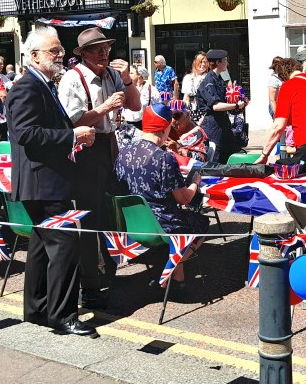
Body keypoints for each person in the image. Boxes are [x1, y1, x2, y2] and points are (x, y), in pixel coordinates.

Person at [6, 26, 98, 337]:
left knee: (41, 247)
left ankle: (37, 309)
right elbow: (26, 134)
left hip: (45, 181)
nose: (61, 55)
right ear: (34, 56)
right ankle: (63, 317)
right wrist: (72, 135)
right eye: (54, 50)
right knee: (64, 244)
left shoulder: (42, 84)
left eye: (60, 50)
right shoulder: (27, 87)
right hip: (43, 182)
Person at [58, 26, 139, 309]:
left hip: (109, 145)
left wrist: (127, 80)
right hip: (86, 151)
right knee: (89, 218)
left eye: (106, 48)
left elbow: (135, 105)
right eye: (97, 50)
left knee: (109, 213)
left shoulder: (113, 75)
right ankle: (89, 285)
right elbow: (72, 123)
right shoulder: (72, 78)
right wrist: (104, 108)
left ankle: (107, 272)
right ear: (84, 54)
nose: (104, 53)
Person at [114, 103, 208, 291]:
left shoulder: (123, 153)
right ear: (165, 128)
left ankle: (175, 277)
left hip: (132, 225)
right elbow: (184, 199)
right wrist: (195, 183)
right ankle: (170, 272)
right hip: (164, 224)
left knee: (180, 222)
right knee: (201, 223)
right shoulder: (163, 158)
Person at [197, 49, 247, 163]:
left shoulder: (218, 78)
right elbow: (216, 106)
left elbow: (226, 100)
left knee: (230, 152)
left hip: (223, 122)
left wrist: (240, 100)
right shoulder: (209, 80)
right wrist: (236, 105)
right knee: (216, 157)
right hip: (213, 124)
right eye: (225, 60)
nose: (227, 63)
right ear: (218, 62)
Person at [180, 51, 208, 119]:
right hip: (191, 111)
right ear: (195, 62)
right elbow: (186, 98)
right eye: (201, 62)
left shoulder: (208, 77)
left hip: (205, 111)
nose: (203, 64)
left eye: (205, 62)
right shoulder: (187, 78)